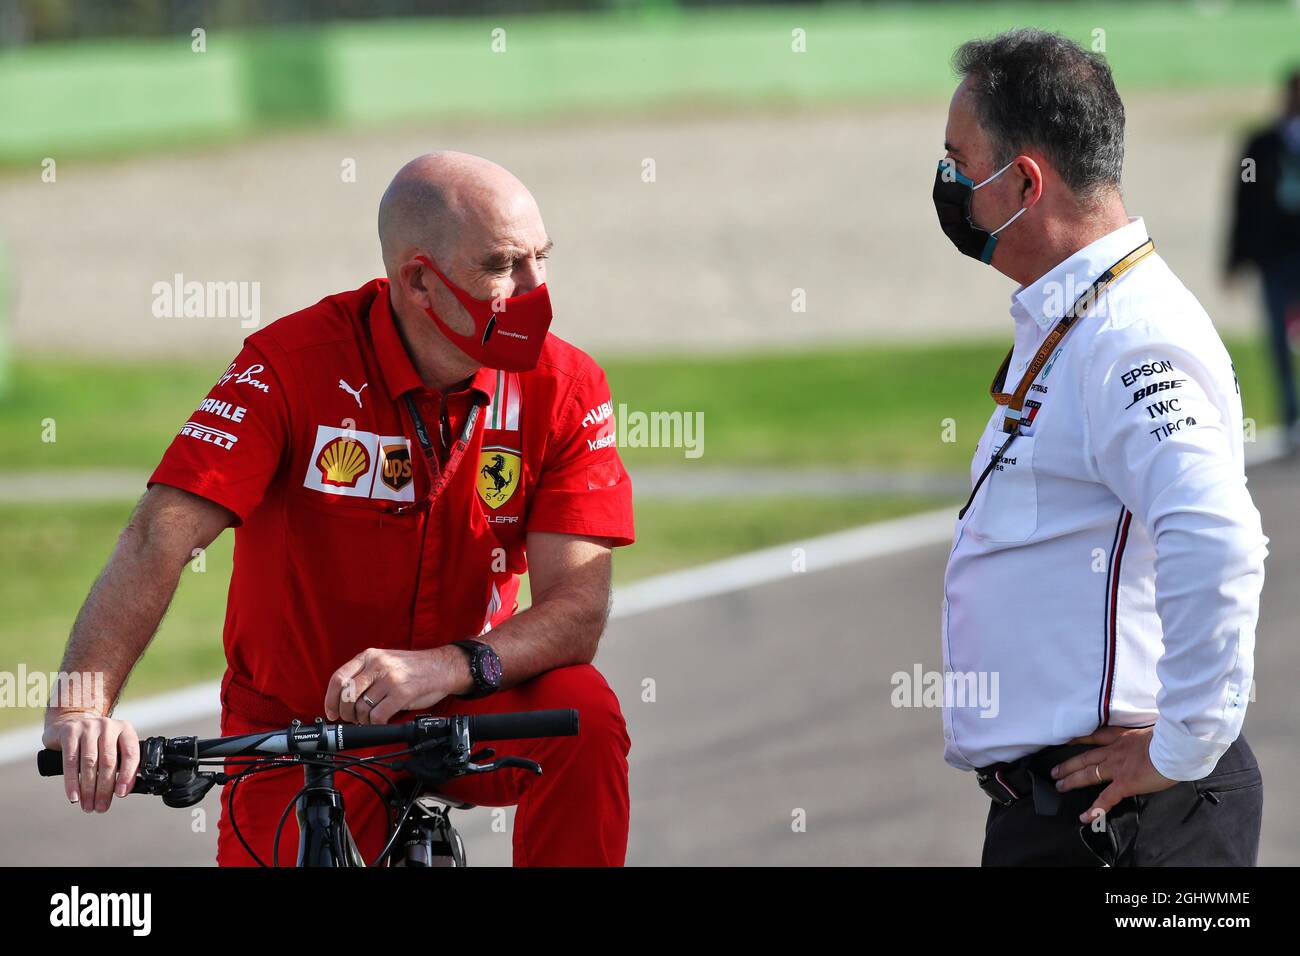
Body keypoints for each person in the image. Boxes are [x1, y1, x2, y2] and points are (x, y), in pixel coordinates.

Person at [41, 151, 636, 867]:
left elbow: (579, 608)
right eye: (504, 265)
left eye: (543, 259)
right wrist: (81, 709)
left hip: (459, 704)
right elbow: (158, 537)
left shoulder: (567, 384)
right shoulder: (288, 364)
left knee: (585, 713)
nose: (538, 291)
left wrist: (446, 667)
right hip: (298, 734)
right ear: (419, 280)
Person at [934, 30, 1268, 865]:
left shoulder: (1130, 337)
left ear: (1024, 180)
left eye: (957, 158)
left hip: (1125, 820)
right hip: (1065, 813)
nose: (947, 182)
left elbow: (1219, 542)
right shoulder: (1082, 319)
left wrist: (1180, 747)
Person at [1226, 67, 1300, 451]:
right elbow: (1243, 203)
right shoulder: (1262, 144)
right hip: (1275, 259)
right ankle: (1291, 417)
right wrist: (1235, 259)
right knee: (1278, 340)